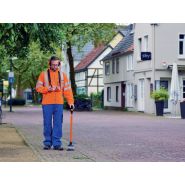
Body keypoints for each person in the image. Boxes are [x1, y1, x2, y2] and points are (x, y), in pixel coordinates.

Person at [36, 56, 74, 150]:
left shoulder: (63, 75)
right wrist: (47, 89)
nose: (55, 66)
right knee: (47, 123)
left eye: (57, 65)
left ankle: (57, 143)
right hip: (47, 103)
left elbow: (68, 90)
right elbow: (38, 87)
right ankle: (47, 143)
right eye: (53, 64)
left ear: (59, 64)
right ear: (49, 64)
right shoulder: (43, 74)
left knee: (58, 123)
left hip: (59, 103)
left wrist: (71, 102)